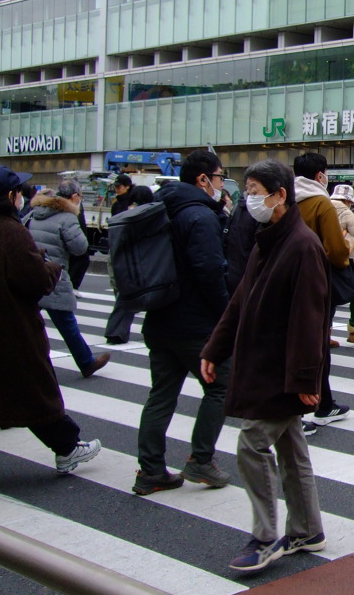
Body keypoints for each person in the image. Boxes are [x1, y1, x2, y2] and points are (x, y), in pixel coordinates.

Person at [200, 159, 328, 573]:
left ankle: (265, 536)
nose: (248, 198)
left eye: (255, 190)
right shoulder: (268, 240)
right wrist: (214, 349)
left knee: (252, 444)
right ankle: (307, 529)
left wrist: (307, 379)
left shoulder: (302, 245)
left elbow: (310, 319)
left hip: (278, 370)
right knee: (291, 449)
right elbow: (241, 299)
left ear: (279, 196)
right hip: (265, 364)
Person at [134, 150, 231, 496]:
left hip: (159, 318)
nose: (222, 184)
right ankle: (201, 460)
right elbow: (209, 272)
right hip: (195, 324)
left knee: (161, 395)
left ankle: (150, 470)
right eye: (220, 177)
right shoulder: (199, 217)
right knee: (222, 385)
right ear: (203, 179)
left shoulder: (162, 208)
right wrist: (226, 316)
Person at [0, 166, 102, 475]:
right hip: (10, 326)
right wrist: (50, 267)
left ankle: (67, 445)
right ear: (11, 197)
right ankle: (68, 447)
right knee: (34, 389)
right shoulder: (10, 231)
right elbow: (34, 280)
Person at [24, 182, 111, 377]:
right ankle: (86, 362)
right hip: (55, 275)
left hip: (32, 274)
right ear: (74, 197)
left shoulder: (33, 215)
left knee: (27, 323)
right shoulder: (66, 217)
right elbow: (80, 248)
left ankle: (25, 363)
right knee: (67, 323)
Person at [292, 152, 352, 433]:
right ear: (320, 176)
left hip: (286, 283)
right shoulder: (320, 204)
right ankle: (318, 404)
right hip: (316, 284)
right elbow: (337, 253)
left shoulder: (282, 200)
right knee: (317, 345)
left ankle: (322, 401)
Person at [103, 184, 154, 345]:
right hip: (133, 259)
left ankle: (116, 331)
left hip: (118, 257)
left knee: (126, 295)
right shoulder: (142, 214)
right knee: (128, 297)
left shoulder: (124, 210)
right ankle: (116, 331)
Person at [330, 184, 354, 346]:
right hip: (348, 260)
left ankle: (326, 333)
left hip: (325, 258)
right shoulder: (346, 213)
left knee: (328, 298)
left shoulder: (322, 207)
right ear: (348, 200)